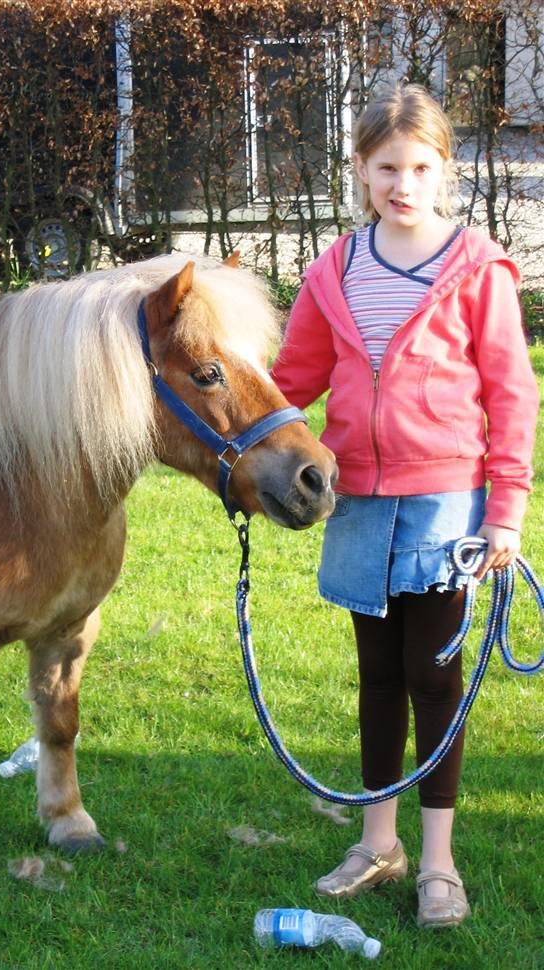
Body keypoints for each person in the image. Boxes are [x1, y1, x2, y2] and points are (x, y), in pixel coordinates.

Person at [271, 83, 539, 929]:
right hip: (358, 504)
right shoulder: (334, 269)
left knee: (435, 675)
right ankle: (376, 841)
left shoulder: (477, 268)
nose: (404, 184)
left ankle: (438, 861)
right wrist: (252, 454)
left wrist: (506, 512)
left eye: (421, 167)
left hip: (446, 505)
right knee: (378, 678)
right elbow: (294, 383)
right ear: (360, 169)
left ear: (445, 170)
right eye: (387, 167)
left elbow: (512, 395)